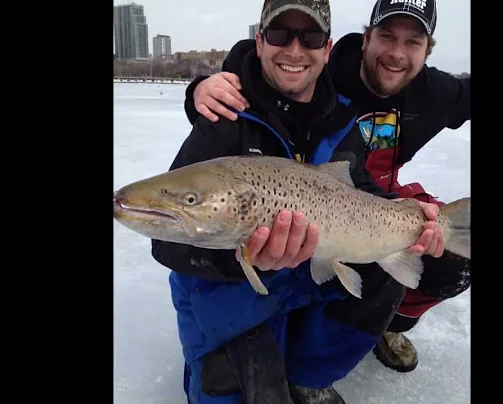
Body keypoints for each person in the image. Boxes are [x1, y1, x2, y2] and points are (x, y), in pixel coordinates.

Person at [151, 1, 445, 403]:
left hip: (304, 277)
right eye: (279, 34)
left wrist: (413, 218)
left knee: (385, 270)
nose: (294, 49)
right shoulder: (223, 115)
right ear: (259, 42)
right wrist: (245, 257)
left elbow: (360, 187)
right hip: (225, 298)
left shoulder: (342, 120)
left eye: (309, 37)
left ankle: (310, 374)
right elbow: (166, 243)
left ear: (326, 49)